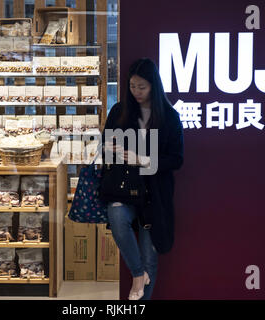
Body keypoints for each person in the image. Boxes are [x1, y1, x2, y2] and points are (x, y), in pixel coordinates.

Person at [99, 58, 184, 300]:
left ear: (153, 87)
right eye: (132, 86)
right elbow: (104, 146)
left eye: (142, 87)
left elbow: (176, 159)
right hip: (123, 190)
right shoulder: (119, 110)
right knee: (116, 216)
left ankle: (142, 287)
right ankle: (138, 275)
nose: (136, 92)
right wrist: (111, 149)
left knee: (150, 259)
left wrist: (144, 159)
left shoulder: (169, 116)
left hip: (154, 195)